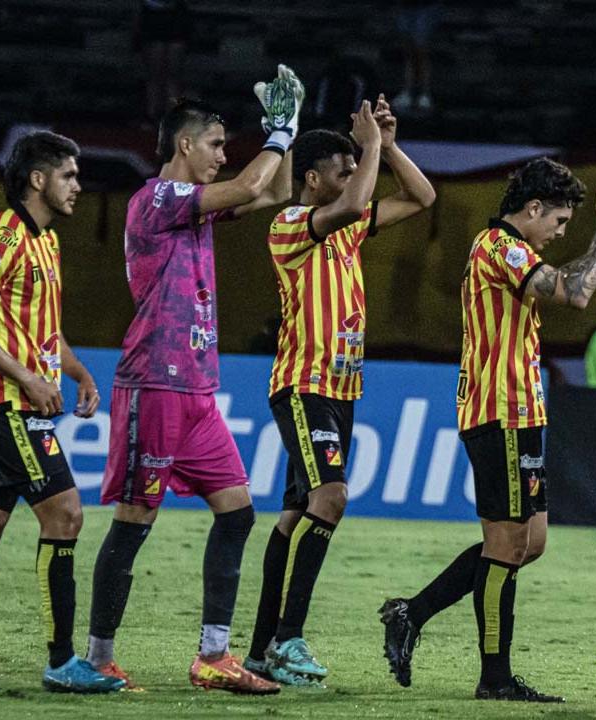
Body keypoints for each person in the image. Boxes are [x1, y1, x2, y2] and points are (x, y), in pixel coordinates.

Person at [380, 158, 596, 702]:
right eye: (560, 221)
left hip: (521, 413)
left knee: (531, 541)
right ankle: (494, 679)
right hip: (497, 410)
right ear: (533, 208)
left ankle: (412, 612)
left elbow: (572, 281)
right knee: (506, 543)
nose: (560, 232)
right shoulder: (498, 246)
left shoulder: (516, 251)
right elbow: (574, 293)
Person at [83, 66, 304, 694]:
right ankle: (97, 659)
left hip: (198, 392)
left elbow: (270, 193)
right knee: (134, 520)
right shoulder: (155, 198)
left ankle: (213, 657)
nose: (222, 156)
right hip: (153, 383)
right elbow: (247, 184)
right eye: (215, 144)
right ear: (185, 144)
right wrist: (279, 135)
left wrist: (281, 135)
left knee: (236, 515)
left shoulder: (196, 212)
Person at [244, 95, 435, 686]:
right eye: (343, 167)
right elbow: (356, 202)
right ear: (312, 179)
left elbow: (423, 198)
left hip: (340, 388)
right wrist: (370, 143)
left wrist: (390, 143)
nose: (355, 177)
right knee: (332, 498)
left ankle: (259, 649)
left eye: (356, 167)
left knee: (296, 512)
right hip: (304, 385)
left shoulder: (346, 231)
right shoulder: (290, 225)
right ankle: (289, 639)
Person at [0, 132, 123, 693]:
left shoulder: (45, 242)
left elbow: (40, 334)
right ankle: (62, 661)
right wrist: (25, 377)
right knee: (65, 514)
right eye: (70, 175)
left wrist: (76, 372)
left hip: (16, 403)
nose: (79, 185)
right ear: (37, 179)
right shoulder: (2, 235)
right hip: (7, 405)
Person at [392, 1, 441, 113]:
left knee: (421, 51)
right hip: (405, 8)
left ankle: (424, 93)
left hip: (425, 8)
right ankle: (407, 91)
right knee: (408, 52)